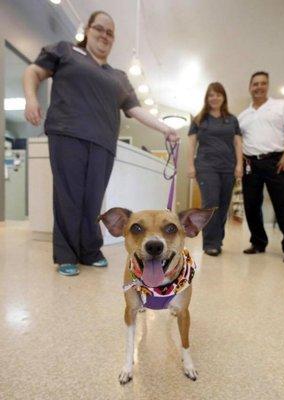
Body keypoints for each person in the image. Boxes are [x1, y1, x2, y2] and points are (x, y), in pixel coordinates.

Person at [23, 10, 178, 276]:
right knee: (68, 197)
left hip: (103, 141)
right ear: (87, 30)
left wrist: (165, 127)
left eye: (110, 32)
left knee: (93, 200)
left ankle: (90, 250)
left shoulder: (118, 76)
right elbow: (34, 71)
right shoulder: (67, 51)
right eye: (100, 29)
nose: (104, 35)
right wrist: (31, 98)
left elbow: (135, 109)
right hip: (68, 132)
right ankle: (66, 255)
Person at [238, 71, 284, 264]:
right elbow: (238, 141)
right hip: (250, 163)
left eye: (262, 83)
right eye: (255, 84)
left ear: (267, 86)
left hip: (276, 161)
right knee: (251, 205)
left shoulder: (282, 106)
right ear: (250, 87)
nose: (259, 87)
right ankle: (258, 242)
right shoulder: (243, 116)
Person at [187, 82, 243, 256]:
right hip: (206, 166)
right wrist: (190, 165)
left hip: (228, 167)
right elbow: (191, 143)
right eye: (211, 95)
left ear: (223, 97)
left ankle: (218, 240)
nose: (215, 98)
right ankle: (210, 243)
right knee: (210, 204)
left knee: (224, 205)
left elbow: (237, 142)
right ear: (207, 98)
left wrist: (239, 164)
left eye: (218, 94)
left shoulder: (232, 119)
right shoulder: (199, 119)